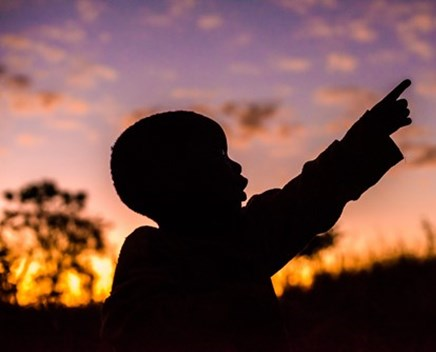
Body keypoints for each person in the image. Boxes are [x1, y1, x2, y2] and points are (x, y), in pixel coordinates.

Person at [101, 80, 412, 351]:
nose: (236, 166)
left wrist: (367, 135)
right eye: (219, 157)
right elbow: (137, 327)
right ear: (177, 179)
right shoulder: (150, 253)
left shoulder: (245, 232)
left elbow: (311, 194)